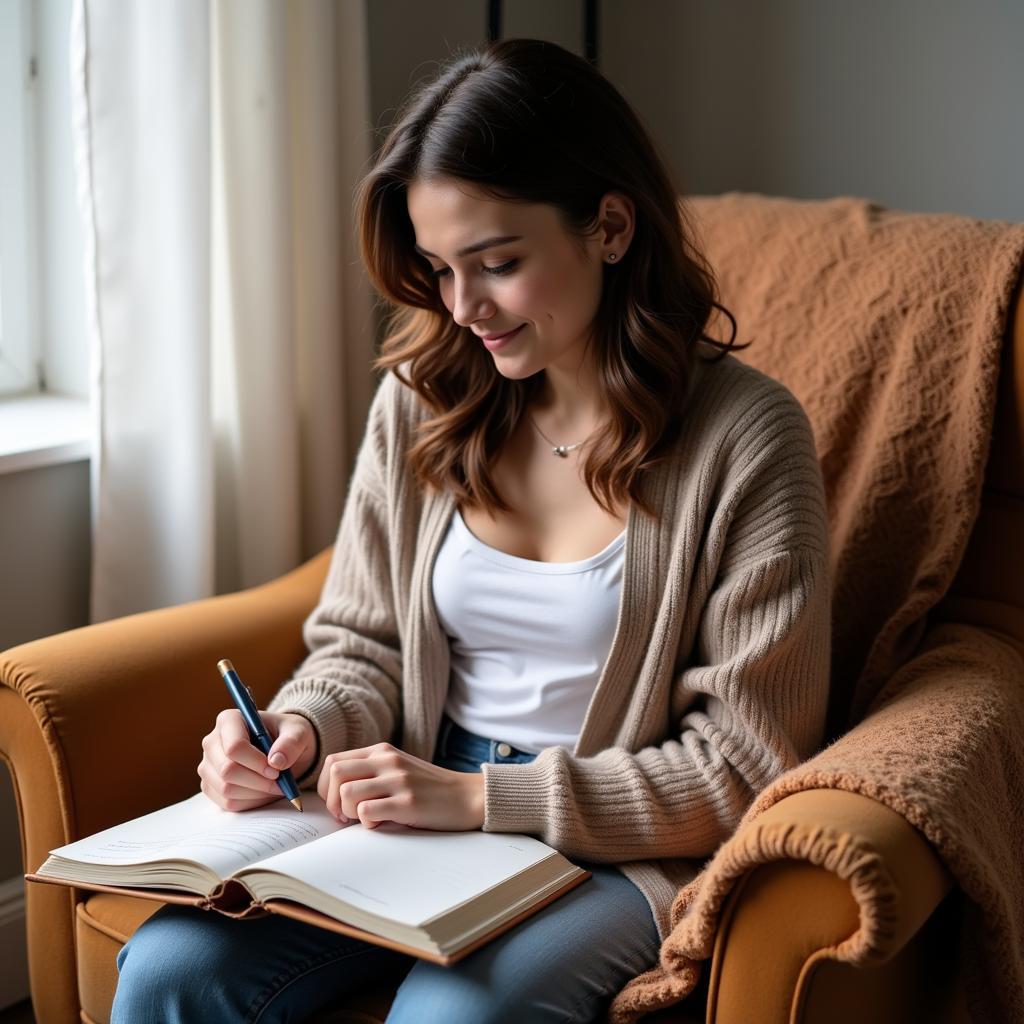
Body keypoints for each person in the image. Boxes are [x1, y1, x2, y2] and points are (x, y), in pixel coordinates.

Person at [111, 37, 831, 1024]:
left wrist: (487, 800)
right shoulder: (423, 398)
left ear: (610, 226)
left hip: (614, 846)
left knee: (456, 1018)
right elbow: (358, 645)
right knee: (168, 972)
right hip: (412, 807)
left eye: (496, 263)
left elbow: (749, 761)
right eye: (440, 268)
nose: (462, 307)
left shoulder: (746, 437)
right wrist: (301, 727)